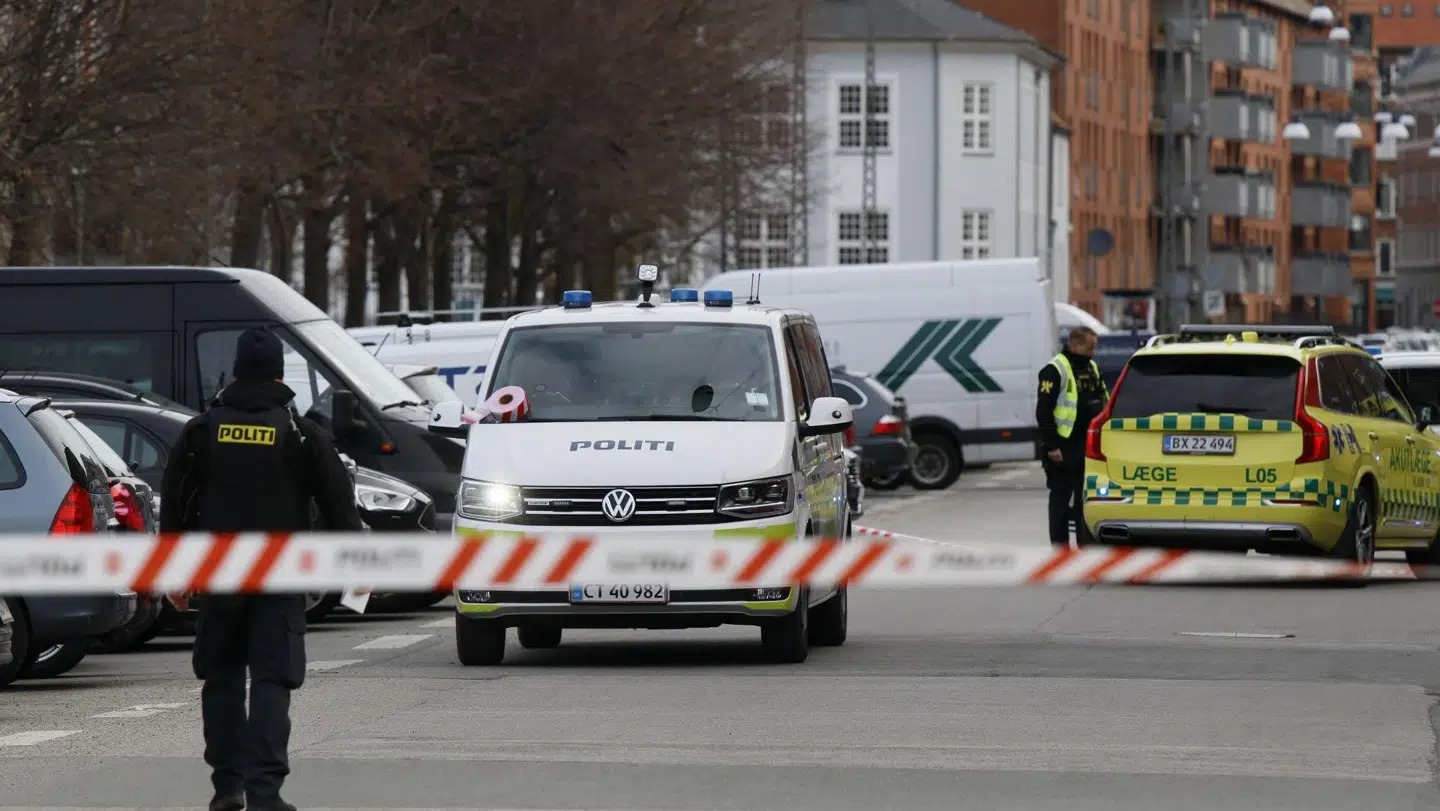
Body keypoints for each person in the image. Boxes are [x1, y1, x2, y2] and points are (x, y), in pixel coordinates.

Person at [160, 327, 362, 811]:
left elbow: (175, 507)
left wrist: (176, 576)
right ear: (279, 375)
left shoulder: (201, 432)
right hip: (279, 576)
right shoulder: (302, 434)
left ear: (235, 372)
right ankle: (265, 794)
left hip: (219, 576)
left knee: (222, 680)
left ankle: (227, 789)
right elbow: (339, 505)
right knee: (273, 681)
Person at [1036, 326, 1109, 547]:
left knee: (1084, 503)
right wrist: (1052, 446)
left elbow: (1104, 398)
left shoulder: (1091, 367)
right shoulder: (1054, 370)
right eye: (1090, 348)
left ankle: (1084, 548)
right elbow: (1044, 412)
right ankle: (1061, 550)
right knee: (1060, 502)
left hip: (1087, 445)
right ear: (1075, 345)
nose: (1093, 353)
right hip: (1063, 447)